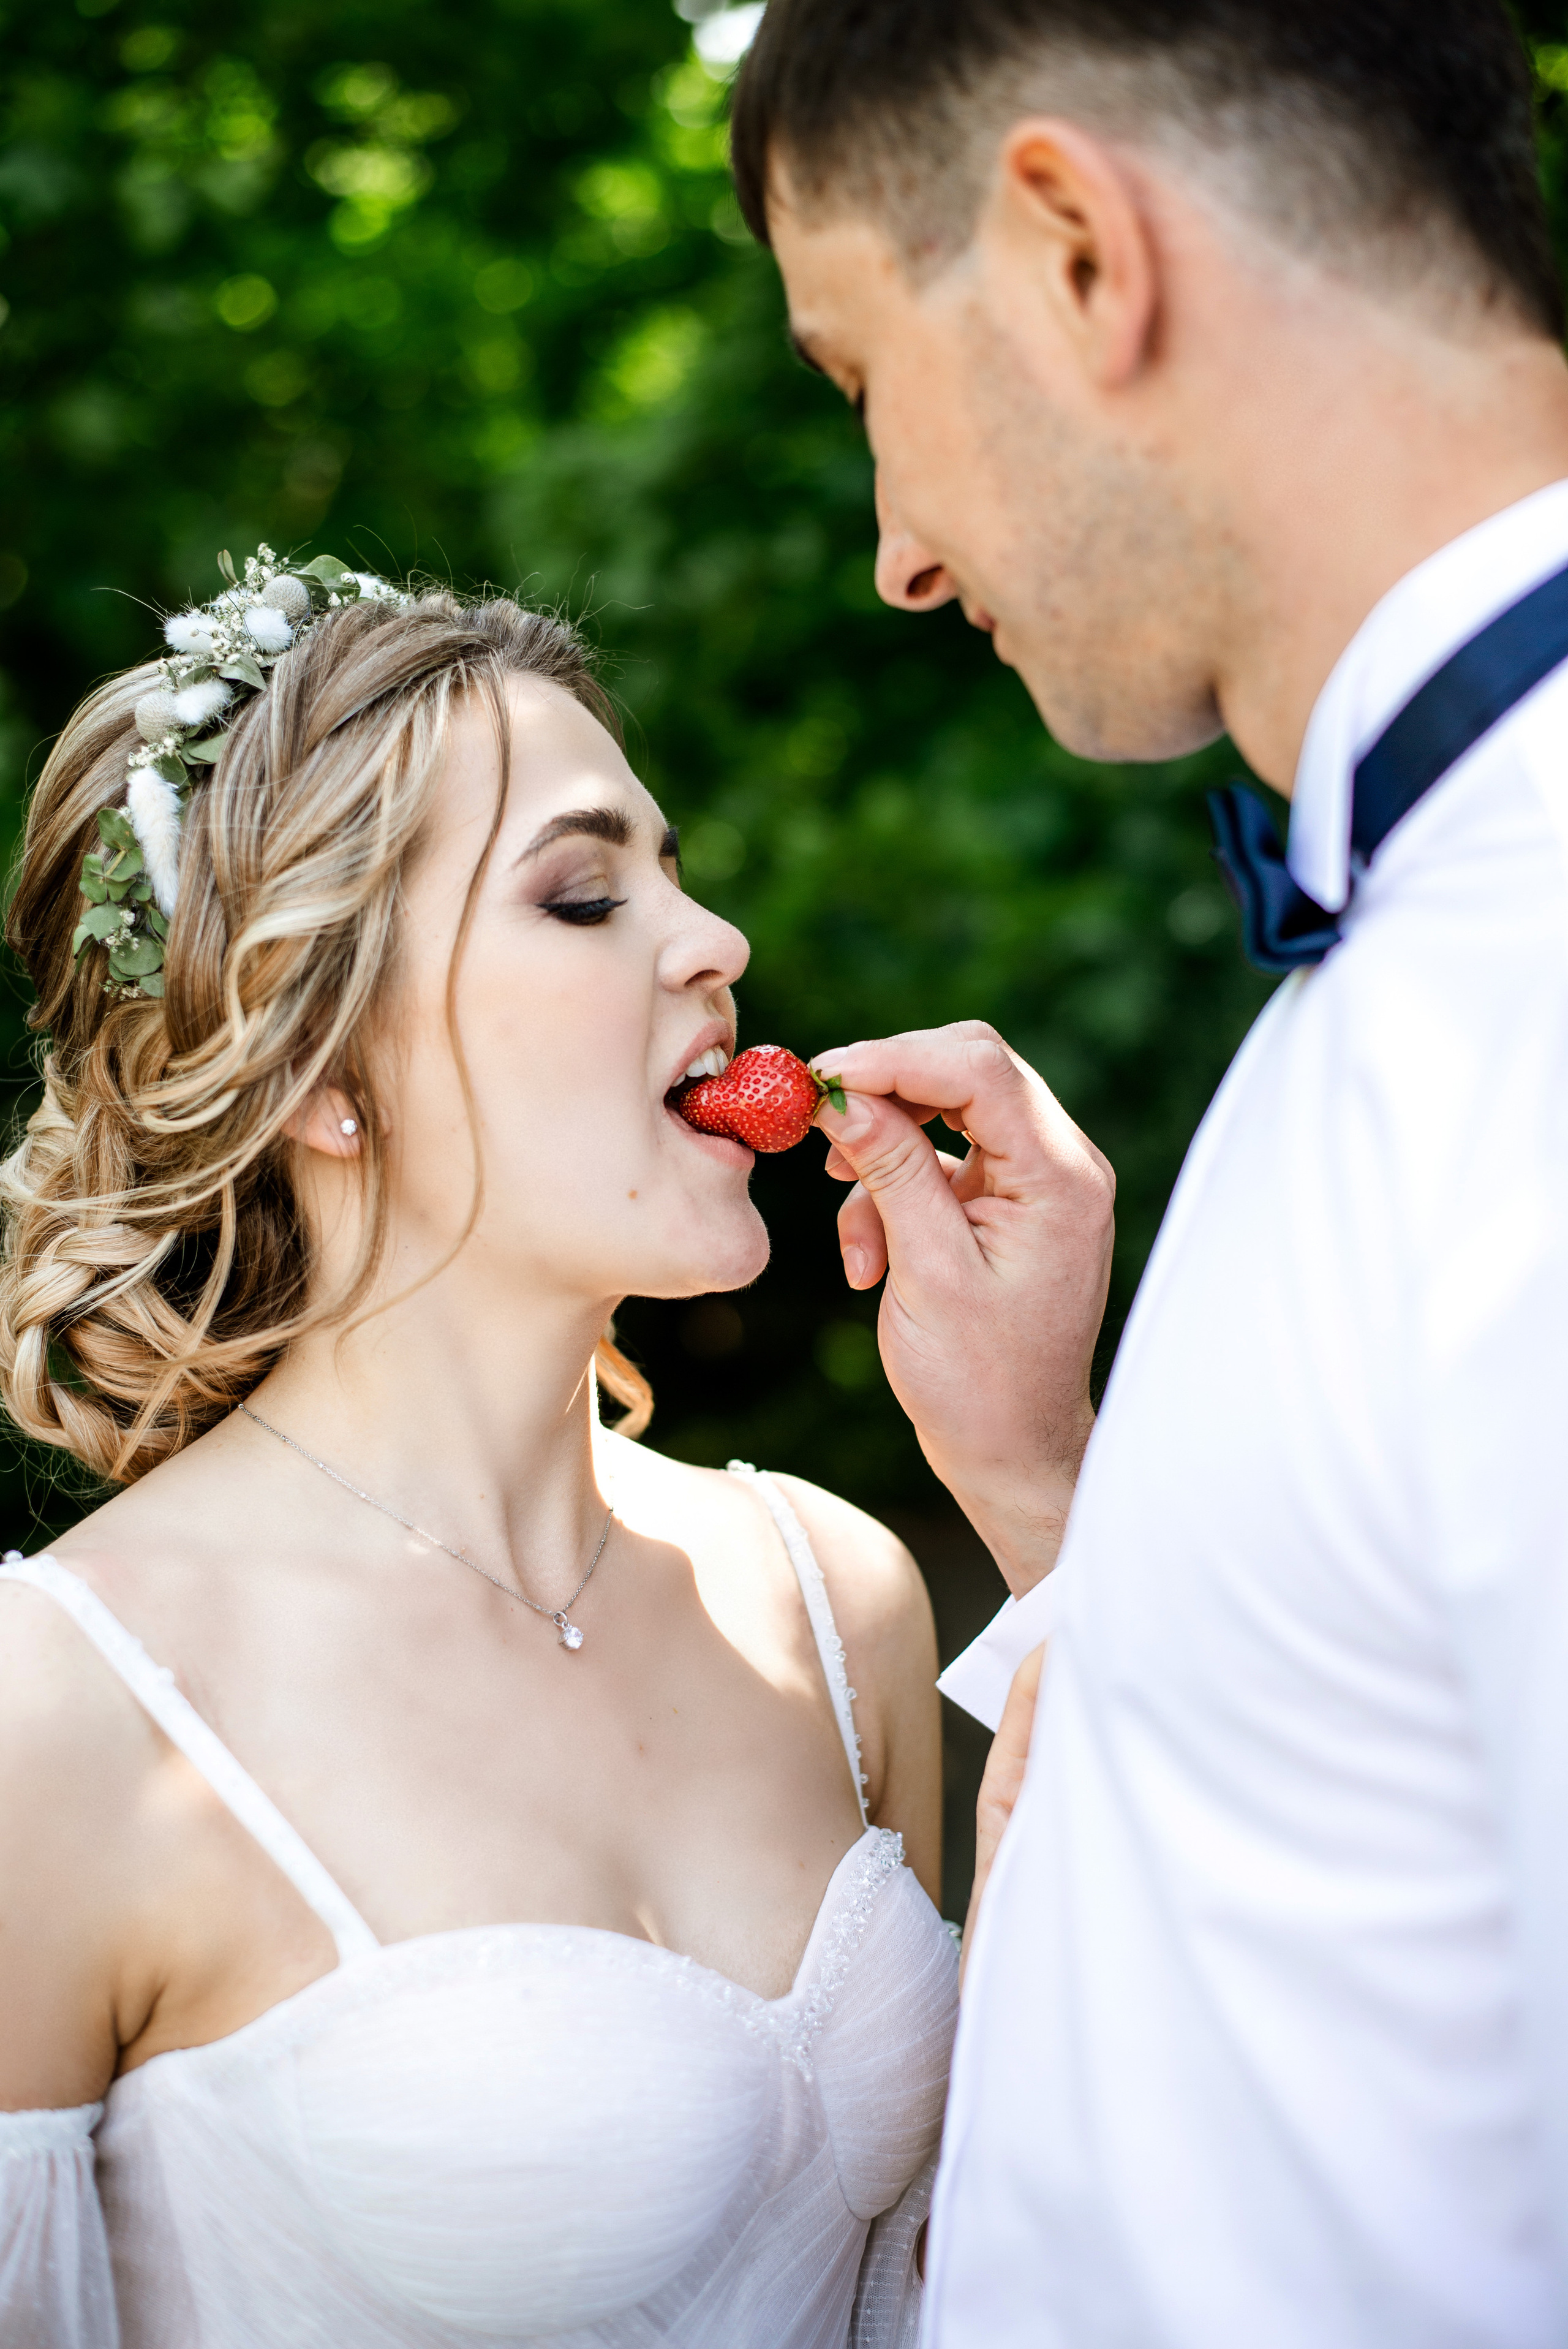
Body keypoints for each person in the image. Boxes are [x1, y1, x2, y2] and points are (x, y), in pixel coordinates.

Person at [731, 0, 1568, 2341]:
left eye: (859, 376)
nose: (896, 555)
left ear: (1076, 251)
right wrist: (1051, 1486)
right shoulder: (1411, 966)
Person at [0, 554, 959, 2347]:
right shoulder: (63, 1706)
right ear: (320, 1070)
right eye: (584, 894)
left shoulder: (841, 1603)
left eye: (674, 870)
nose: (716, 943)